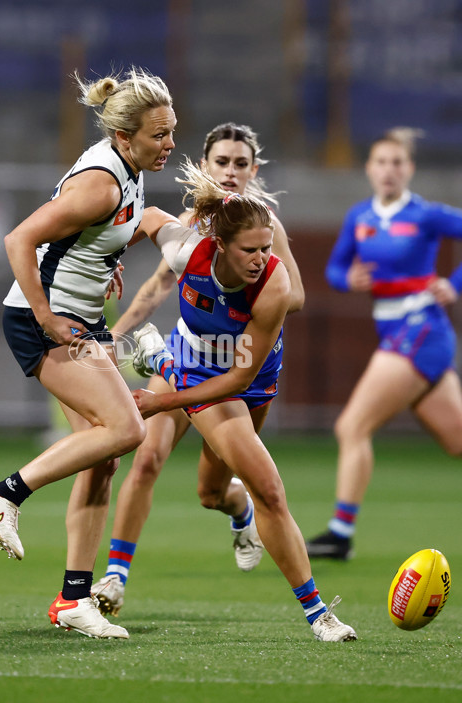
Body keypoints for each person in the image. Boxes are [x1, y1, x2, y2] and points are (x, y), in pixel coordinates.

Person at [0, 67, 176, 639]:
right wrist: (46, 316)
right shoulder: (104, 182)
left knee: (101, 457)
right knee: (128, 429)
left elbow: (99, 233)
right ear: (126, 136)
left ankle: (72, 602)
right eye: (159, 135)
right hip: (47, 323)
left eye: (172, 131)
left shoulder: (127, 173)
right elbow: (20, 239)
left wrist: (108, 263)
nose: (170, 144)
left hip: (78, 318)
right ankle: (2, 494)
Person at [124, 159, 357, 641]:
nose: (260, 258)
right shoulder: (188, 251)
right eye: (250, 249)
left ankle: (237, 510)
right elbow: (144, 217)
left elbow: (240, 377)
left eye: (266, 248)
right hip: (202, 374)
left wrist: (160, 396)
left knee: (211, 492)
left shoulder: (273, 284)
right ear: (221, 246)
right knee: (270, 487)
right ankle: (320, 615)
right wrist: (109, 259)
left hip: (247, 382)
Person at [92, 124, 304, 617]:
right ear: (206, 167)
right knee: (144, 456)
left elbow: (296, 297)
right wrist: (112, 339)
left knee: (211, 491)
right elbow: (155, 288)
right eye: (221, 162)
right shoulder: (189, 227)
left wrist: (251, 294)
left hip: (242, 372)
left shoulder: (266, 233)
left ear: (254, 171)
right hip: (187, 355)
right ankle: (116, 578)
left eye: (240, 163)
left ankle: (238, 508)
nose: (230, 171)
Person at [306, 127, 462, 560]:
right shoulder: (361, 217)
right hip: (394, 332)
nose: (389, 170)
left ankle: (339, 534)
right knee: (457, 443)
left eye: (397, 162)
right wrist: (348, 279)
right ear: (369, 169)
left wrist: (455, 284)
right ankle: (340, 535)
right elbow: (336, 270)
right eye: (381, 162)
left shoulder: (426, 214)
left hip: (421, 330)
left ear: (409, 169)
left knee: (351, 426)